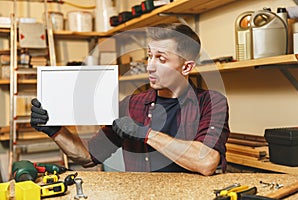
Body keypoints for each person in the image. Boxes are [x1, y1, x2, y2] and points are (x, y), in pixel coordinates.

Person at [31, 23, 230, 176]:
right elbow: (88, 156)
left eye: (161, 58)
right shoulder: (131, 105)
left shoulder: (211, 102)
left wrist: (146, 134)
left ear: (186, 67)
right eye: (149, 56)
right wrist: (55, 130)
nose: (150, 66)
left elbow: (207, 162)